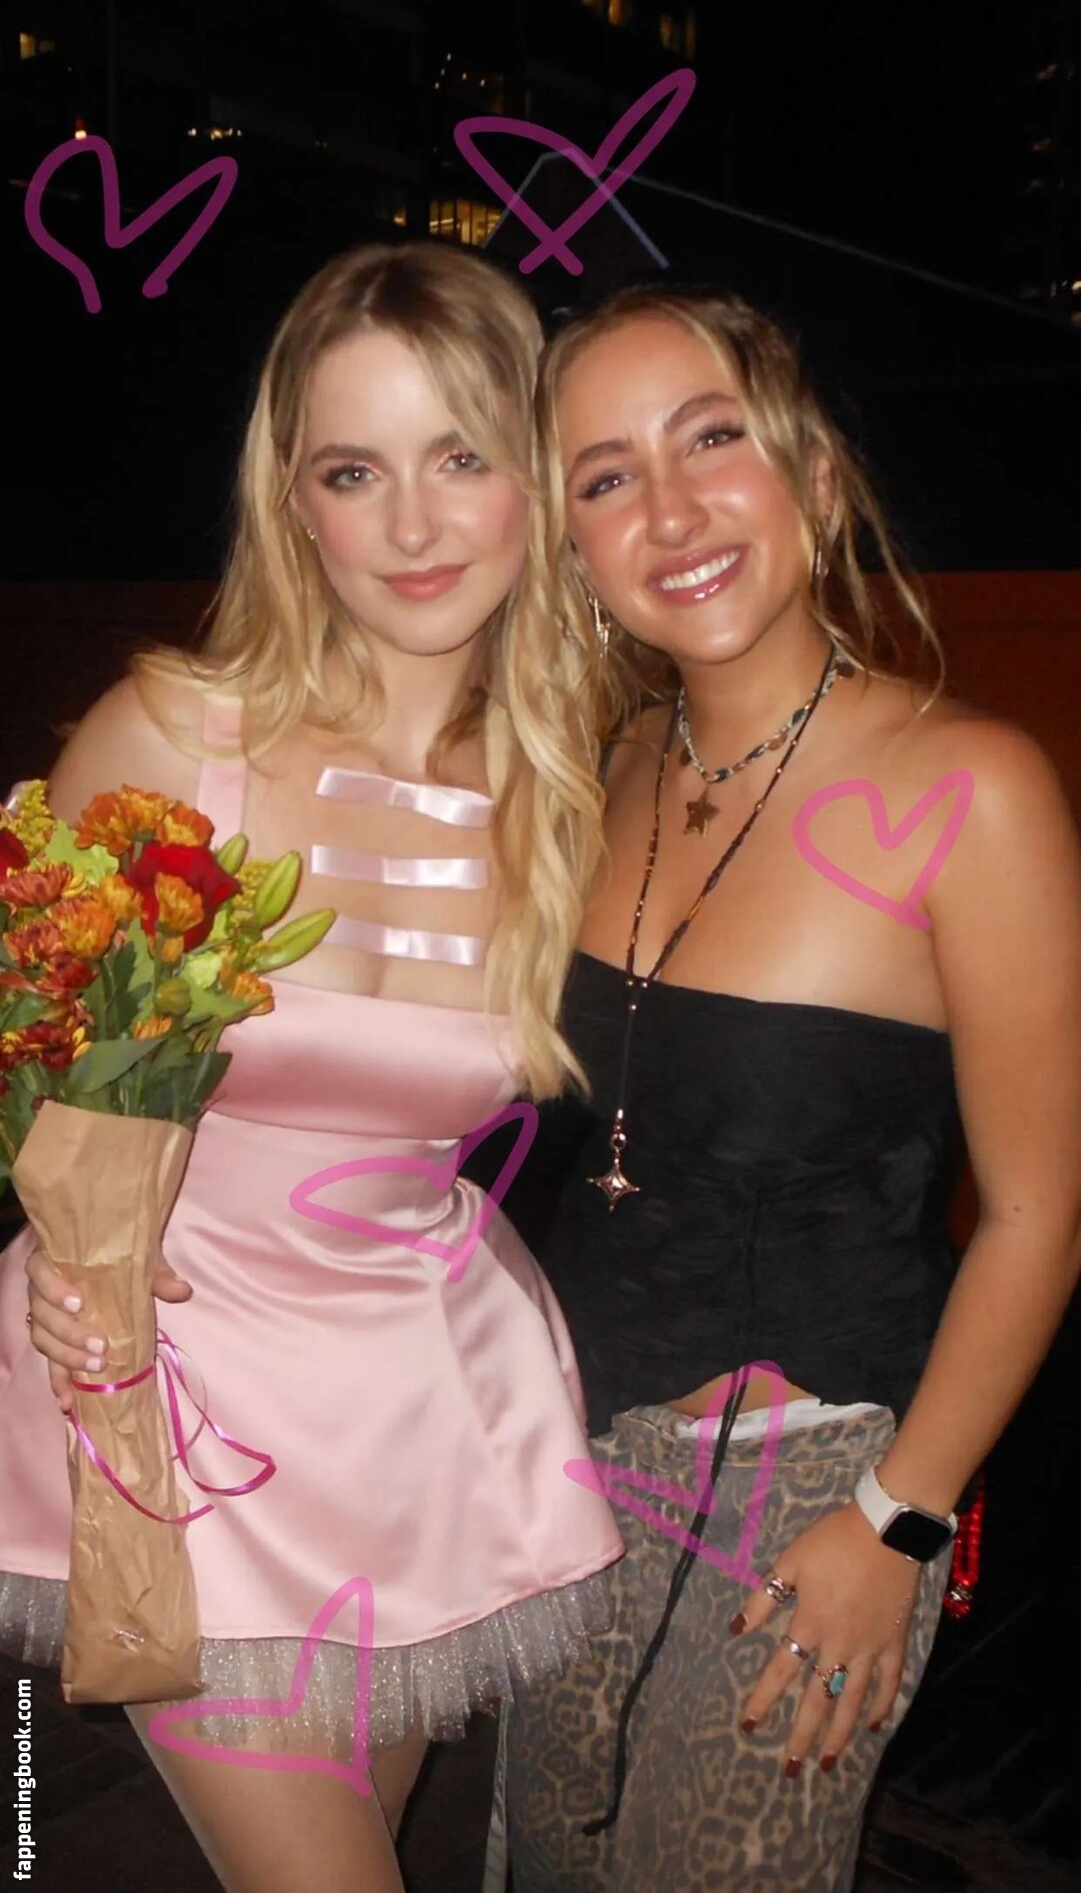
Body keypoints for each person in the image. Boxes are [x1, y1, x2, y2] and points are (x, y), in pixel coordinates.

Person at [0, 241, 623, 1893]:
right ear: (294, 501)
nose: (412, 526)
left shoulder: (576, 791)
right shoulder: (171, 736)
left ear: (539, 477)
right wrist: (67, 1248)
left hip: (417, 1415)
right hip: (173, 1402)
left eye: (460, 457)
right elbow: (33, 1047)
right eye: (355, 472)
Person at [501, 287, 1081, 1891]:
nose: (669, 508)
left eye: (711, 439)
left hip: (815, 1486)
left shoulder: (970, 788)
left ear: (813, 477)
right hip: (562, 1456)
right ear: (569, 545)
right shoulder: (599, 770)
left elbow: (1037, 1214)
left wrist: (901, 1520)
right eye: (605, 475)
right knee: (543, 1857)